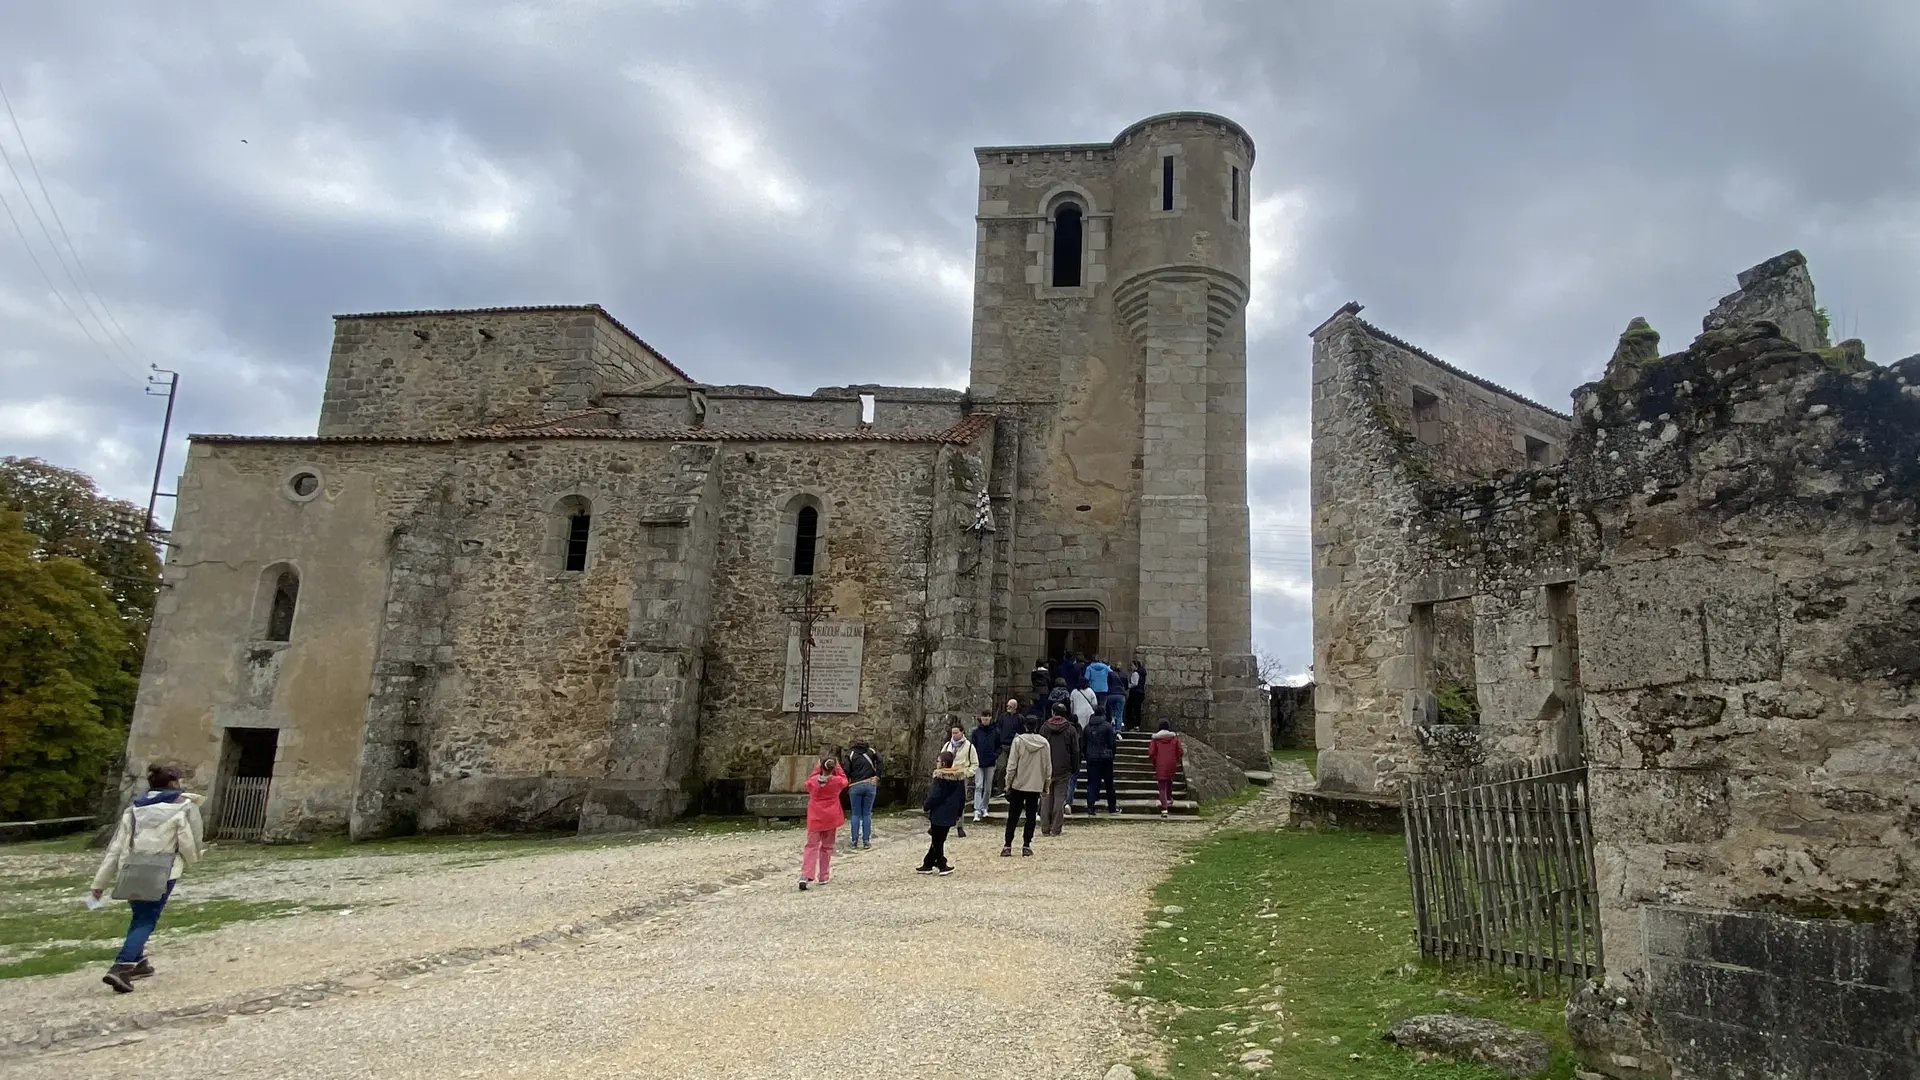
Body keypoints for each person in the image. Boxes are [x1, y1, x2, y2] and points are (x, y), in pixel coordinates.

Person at [91, 764, 207, 994]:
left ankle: (139, 962)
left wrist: (99, 883)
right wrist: (193, 859)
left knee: (140, 915)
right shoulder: (184, 807)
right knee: (147, 919)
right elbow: (188, 841)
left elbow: (116, 848)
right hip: (163, 869)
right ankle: (121, 967)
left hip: (132, 867)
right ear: (173, 783)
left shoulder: (134, 809)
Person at [999, 718, 1050, 857]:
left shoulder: (1018, 741)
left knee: (1013, 816)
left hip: (1018, 784)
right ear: (1037, 726)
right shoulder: (1044, 743)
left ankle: (1007, 845)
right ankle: (1026, 845)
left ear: (1025, 726)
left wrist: (1008, 783)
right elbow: (1047, 766)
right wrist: (1046, 784)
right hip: (1035, 785)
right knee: (1031, 816)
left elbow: (1012, 765)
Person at [800, 754, 849, 890]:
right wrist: (837, 766)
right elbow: (844, 779)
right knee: (827, 847)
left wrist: (818, 767)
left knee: (811, 846)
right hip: (830, 818)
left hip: (815, 818)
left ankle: (806, 875)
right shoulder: (837, 781)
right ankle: (823, 875)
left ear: (821, 767)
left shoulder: (812, 782)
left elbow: (808, 781)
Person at [919, 750, 966, 875]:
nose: (937, 763)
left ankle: (941, 864)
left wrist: (926, 806)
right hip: (951, 811)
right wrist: (959, 812)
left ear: (943, 763)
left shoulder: (939, 778)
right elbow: (962, 797)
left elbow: (935, 795)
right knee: (939, 838)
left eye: (938, 761)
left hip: (939, 812)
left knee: (937, 840)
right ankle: (928, 863)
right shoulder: (959, 778)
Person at [1039, 705, 1081, 837]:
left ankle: (1045, 827)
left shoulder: (1044, 728)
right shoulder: (1070, 729)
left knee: (1046, 799)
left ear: (1052, 712)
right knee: (1059, 798)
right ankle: (1056, 828)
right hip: (1064, 767)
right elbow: (1075, 750)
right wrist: (1075, 767)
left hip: (1046, 767)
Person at [842, 737, 882, 850]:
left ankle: (854, 841)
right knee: (867, 814)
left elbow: (846, 770)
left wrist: (848, 780)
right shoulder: (872, 751)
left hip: (855, 785)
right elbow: (880, 761)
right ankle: (866, 841)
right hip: (870, 784)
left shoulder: (850, 754)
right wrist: (877, 776)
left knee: (855, 814)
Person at [942, 722, 978, 837]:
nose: (954, 735)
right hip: (947, 777)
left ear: (962, 732)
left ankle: (960, 826)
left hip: (961, 778)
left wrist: (967, 773)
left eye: (956, 732)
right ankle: (943, 824)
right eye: (952, 733)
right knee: (945, 801)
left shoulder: (969, 747)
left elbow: (975, 763)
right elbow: (941, 759)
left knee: (959, 802)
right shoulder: (948, 745)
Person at [1082, 709, 1119, 815]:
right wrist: (1112, 755)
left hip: (1091, 758)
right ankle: (1112, 807)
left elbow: (1083, 744)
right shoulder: (1107, 726)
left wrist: (1087, 755)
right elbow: (1112, 743)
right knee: (1109, 784)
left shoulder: (1087, 728)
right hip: (1106, 757)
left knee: (1092, 783)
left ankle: (1090, 807)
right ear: (1103, 715)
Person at [969, 711, 1002, 823]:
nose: (985, 721)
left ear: (990, 718)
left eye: (987, 719)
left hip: (990, 763)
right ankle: (977, 809)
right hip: (978, 763)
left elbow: (999, 746)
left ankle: (984, 807)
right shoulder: (976, 732)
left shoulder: (996, 731)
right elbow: (973, 746)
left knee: (988, 787)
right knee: (979, 786)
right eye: (983, 719)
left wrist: (994, 755)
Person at [1148, 722, 1185, 818]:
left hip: (1160, 763)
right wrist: (1176, 759)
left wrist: (1155, 761)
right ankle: (1168, 798)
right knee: (1169, 780)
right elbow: (1180, 751)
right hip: (1172, 763)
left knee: (1162, 786)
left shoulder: (1155, 739)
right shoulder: (1174, 738)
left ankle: (1164, 808)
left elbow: (1151, 752)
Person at [1127, 660, 1148, 728]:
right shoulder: (1142, 674)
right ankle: (1137, 724)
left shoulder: (1135, 673)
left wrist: (1128, 686)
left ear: (1136, 666)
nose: (1131, 667)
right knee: (1137, 709)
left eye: (1132, 665)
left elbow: (1135, 683)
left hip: (1135, 693)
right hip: (1141, 692)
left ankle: (1133, 724)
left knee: (1131, 708)